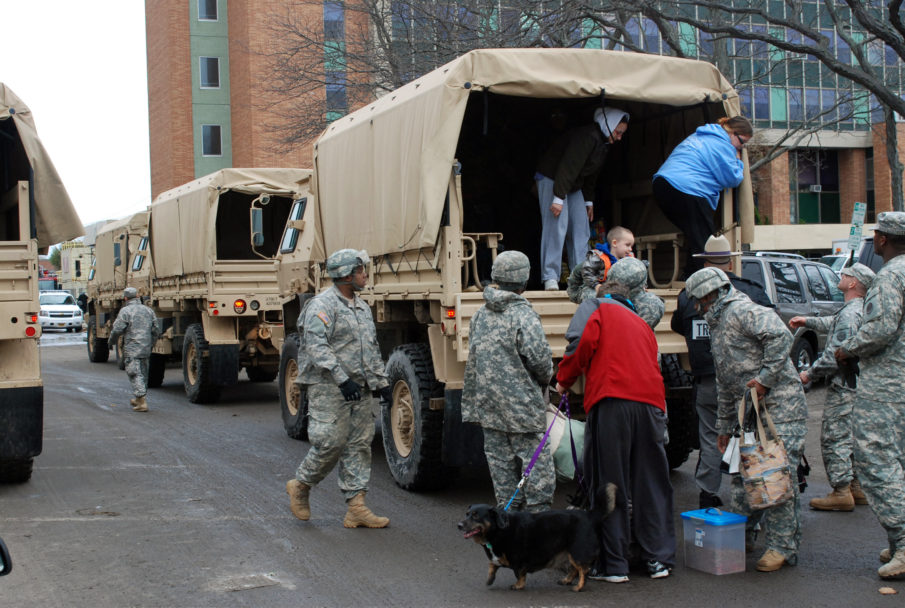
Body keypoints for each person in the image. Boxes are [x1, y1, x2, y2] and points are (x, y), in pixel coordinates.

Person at [556, 258, 676, 582]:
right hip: (651, 405)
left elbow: (580, 345)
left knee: (611, 483)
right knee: (651, 482)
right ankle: (657, 560)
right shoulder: (640, 321)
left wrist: (563, 380)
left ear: (603, 291)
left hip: (613, 403)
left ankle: (614, 565)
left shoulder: (597, 307)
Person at [685, 267, 806, 572]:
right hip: (748, 412)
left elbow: (780, 336)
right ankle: (743, 535)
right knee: (743, 480)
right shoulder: (718, 323)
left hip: (780, 409)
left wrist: (765, 379)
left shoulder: (742, 311)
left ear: (712, 295)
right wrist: (726, 426)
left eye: (700, 301)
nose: (698, 307)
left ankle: (782, 547)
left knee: (774, 477)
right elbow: (725, 381)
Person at [286, 249, 393, 529]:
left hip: (359, 387)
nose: (365, 276)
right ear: (346, 275)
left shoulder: (361, 306)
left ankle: (356, 507)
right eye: (361, 271)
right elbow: (315, 345)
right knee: (330, 443)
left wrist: (381, 383)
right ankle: (301, 484)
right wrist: (340, 377)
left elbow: (370, 348)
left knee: (359, 445)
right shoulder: (322, 305)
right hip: (329, 387)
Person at [670, 234, 773, 508]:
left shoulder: (687, 296)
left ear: (704, 262)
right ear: (731, 262)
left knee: (710, 436)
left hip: (707, 380)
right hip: (748, 382)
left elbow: (678, 326)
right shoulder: (751, 291)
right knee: (751, 436)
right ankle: (754, 498)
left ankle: (708, 493)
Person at [835, 211, 905, 579]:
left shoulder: (891, 275)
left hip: (888, 386)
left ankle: (904, 542)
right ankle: (898, 543)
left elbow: (880, 329)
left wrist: (848, 348)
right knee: (900, 463)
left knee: (877, 463)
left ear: (881, 240)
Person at [461, 250, 555, 512]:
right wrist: (547, 380)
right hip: (522, 405)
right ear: (524, 281)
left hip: (489, 403)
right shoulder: (523, 315)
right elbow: (540, 362)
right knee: (535, 462)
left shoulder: (480, 313)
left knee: (499, 460)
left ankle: (508, 514)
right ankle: (538, 517)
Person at [790, 263, 874, 512]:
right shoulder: (856, 310)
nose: (842, 275)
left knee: (834, 438)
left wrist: (808, 374)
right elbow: (833, 323)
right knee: (850, 437)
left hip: (844, 386)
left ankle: (841, 491)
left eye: (846, 274)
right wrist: (808, 321)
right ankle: (855, 488)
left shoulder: (850, 315)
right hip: (855, 385)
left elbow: (833, 357)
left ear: (853, 283)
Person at [537, 107, 630, 290]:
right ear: (609, 125)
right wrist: (558, 197)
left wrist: (588, 201)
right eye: (618, 132)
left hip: (573, 184)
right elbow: (568, 167)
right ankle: (551, 276)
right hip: (553, 178)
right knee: (557, 226)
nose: (619, 137)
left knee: (581, 227)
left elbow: (591, 174)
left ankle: (580, 275)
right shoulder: (587, 137)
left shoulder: (603, 143)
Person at [653, 116, 752, 278]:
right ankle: (706, 279)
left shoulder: (700, 135)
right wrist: (739, 162)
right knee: (706, 241)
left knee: (695, 233)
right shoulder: (722, 145)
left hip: (662, 185)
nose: (741, 147)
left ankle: (689, 274)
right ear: (733, 133)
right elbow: (732, 179)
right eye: (742, 142)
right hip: (689, 188)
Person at [108, 287, 159, 413]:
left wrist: (111, 342)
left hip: (132, 347)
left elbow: (117, 330)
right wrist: (151, 343)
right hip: (146, 347)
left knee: (134, 373)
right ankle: (139, 398)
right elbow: (156, 329)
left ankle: (142, 401)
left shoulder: (125, 311)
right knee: (143, 372)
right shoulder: (148, 310)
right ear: (137, 296)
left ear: (125, 298)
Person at [566, 226, 634, 303]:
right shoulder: (599, 257)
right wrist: (596, 286)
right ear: (615, 243)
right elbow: (587, 272)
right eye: (627, 245)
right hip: (592, 287)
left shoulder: (629, 260)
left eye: (631, 246)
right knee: (595, 296)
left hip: (613, 290)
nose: (630, 249)